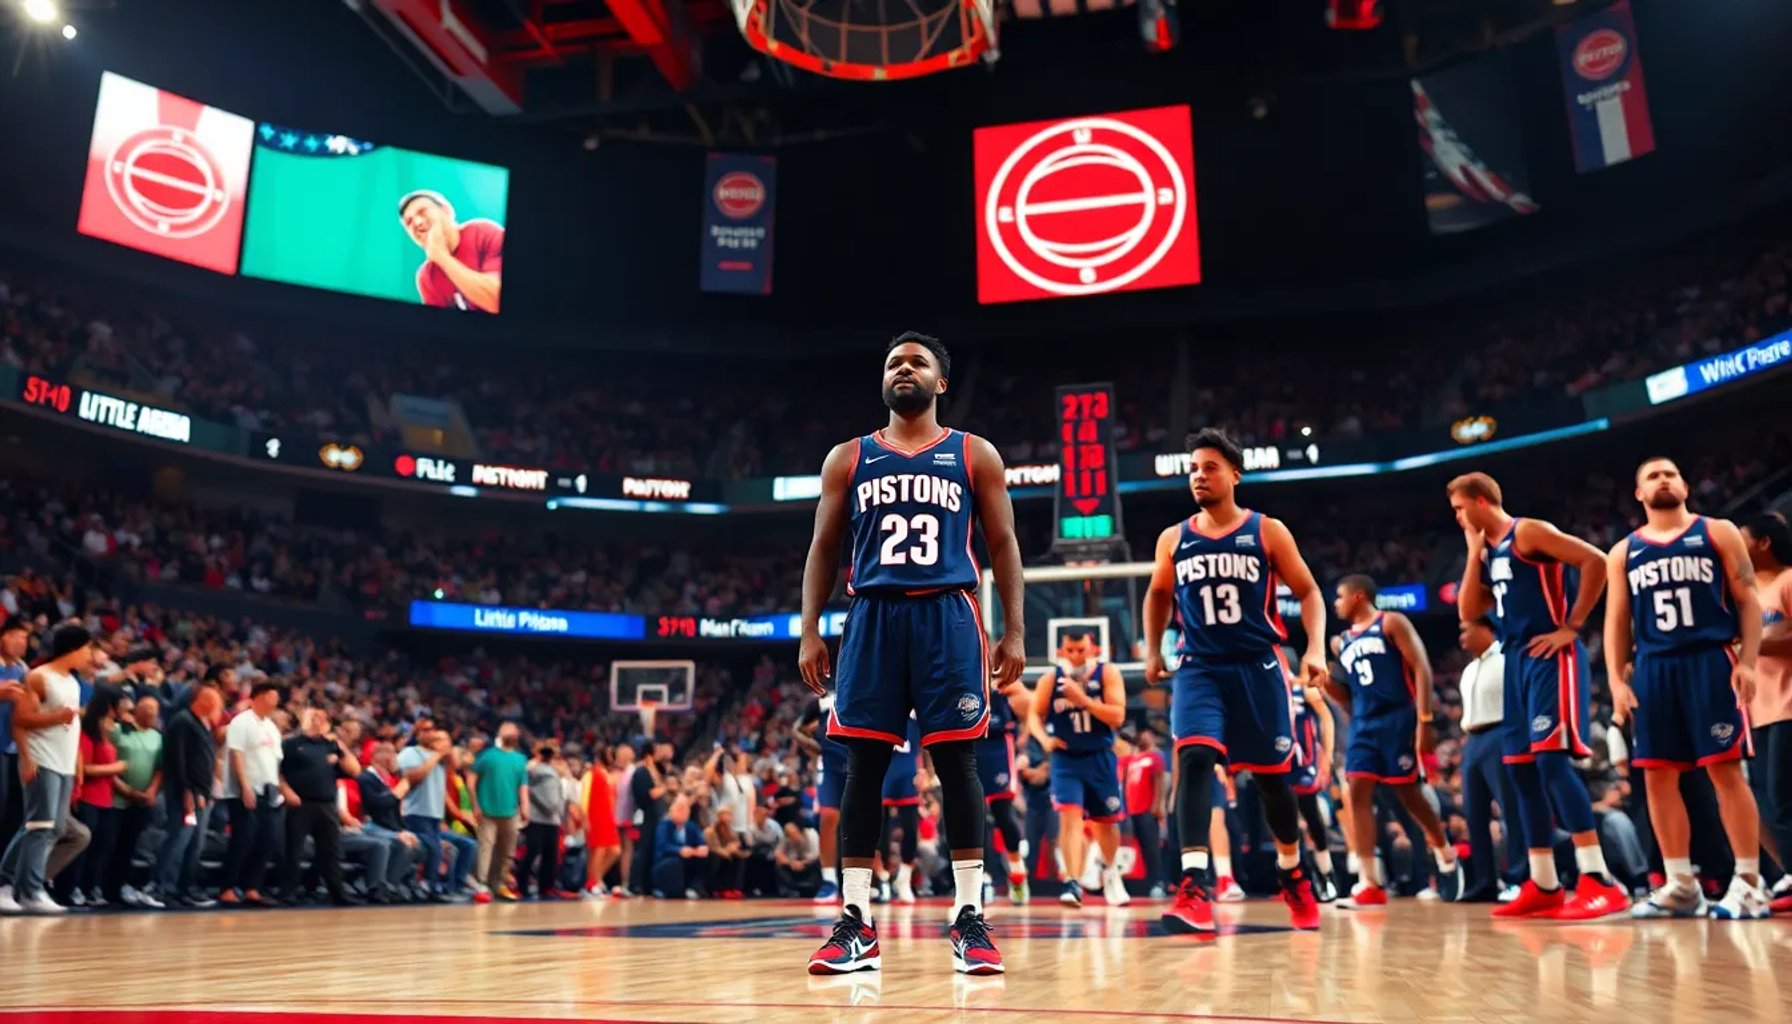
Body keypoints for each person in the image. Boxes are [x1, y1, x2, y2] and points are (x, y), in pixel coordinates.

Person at [797, 332, 1024, 977]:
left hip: (949, 613)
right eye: (894, 362)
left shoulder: (974, 454)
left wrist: (1014, 632)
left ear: (940, 383)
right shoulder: (848, 457)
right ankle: (855, 923)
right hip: (871, 614)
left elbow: (1004, 544)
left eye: (917, 362)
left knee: (958, 762)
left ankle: (970, 917)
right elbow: (822, 548)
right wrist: (811, 630)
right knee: (861, 767)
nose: (904, 369)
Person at [1143, 428, 1329, 934]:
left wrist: (1314, 647)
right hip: (1199, 666)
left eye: (1209, 467)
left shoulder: (1267, 530)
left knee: (1272, 781)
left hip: (1258, 666)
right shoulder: (1174, 538)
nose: (1199, 476)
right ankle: (1194, 885)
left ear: (1234, 475)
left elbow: (1309, 591)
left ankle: (1293, 873)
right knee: (1195, 758)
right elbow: (1158, 594)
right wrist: (1154, 648)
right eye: (1194, 469)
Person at [1450, 471, 1629, 920]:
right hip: (1517, 661)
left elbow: (1595, 560)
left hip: (1552, 657)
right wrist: (1474, 553)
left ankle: (1598, 879)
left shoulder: (1527, 531)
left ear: (1480, 501)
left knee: (1550, 763)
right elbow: (1470, 611)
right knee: (1521, 773)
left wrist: (1572, 625)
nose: (1456, 517)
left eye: (1458, 507)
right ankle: (1544, 882)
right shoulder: (1488, 551)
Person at [1604, 458, 1767, 919]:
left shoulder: (1717, 531)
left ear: (1685, 485)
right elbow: (1617, 619)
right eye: (1652, 476)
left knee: (1725, 769)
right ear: (1639, 494)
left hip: (1709, 659)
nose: (1662, 480)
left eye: (1670, 474)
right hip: (1654, 668)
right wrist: (1617, 679)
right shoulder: (1623, 551)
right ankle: (1679, 883)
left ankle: (1750, 882)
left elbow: (1748, 597)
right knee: (1657, 775)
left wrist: (1749, 662)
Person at [1329, 575, 1465, 908]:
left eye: (1340, 597)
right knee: (1356, 790)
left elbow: (1421, 667)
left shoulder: (1390, 621)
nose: (1336, 603)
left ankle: (1445, 852)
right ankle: (1369, 882)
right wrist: (1322, 682)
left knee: (1409, 794)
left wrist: (1425, 720)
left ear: (1358, 596)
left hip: (1398, 717)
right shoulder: (1341, 641)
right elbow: (1344, 695)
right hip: (1362, 722)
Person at [1026, 631, 1129, 908]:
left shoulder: (1108, 674)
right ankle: (1072, 881)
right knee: (1069, 818)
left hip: (1099, 756)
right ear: (1061, 651)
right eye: (1070, 650)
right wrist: (1044, 738)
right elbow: (1034, 714)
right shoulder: (1050, 680)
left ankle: (1110, 873)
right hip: (1065, 758)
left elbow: (1118, 716)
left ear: (1092, 648)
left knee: (1105, 824)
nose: (1075, 655)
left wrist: (1082, 699)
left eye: (1080, 650)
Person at [0, 623, 95, 914]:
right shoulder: (39, 676)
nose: (90, 655)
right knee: (40, 825)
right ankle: (26, 890)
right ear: (72, 649)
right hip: (42, 759)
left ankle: (16, 883)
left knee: (51, 828)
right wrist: (27, 758)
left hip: (64, 762)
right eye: (87, 648)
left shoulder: (73, 682)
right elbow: (21, 719)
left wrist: (77, 761)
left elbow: (71, 726)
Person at [1741, 510, 1792, 912]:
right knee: (1763, 803)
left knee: (1781, 797)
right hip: (1757, 711)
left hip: (1789, 703)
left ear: (1763, 543)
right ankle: (1784, 873)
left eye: (1742, 536)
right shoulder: (1744, 596)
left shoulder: (1788, 580)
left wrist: (1753, 645)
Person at [1455, 618, 1525, 902]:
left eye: (1466, 630)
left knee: (1510, 810)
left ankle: (1520, 878)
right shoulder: (1469, 668)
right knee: (1474, 814)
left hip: (1500, 732)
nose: (1461, 636)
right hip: (1473, 739)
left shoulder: (1506, 659)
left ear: (1487, 630)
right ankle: (1485, 880)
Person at [279, 708, 361, 905]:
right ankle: (287, 892)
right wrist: (286, 791)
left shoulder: (331, 745)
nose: (319, 720)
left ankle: (338, 893)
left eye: (323, 717)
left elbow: (355, 770)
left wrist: (341, 747)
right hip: (300, 802)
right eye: (314, 716)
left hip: (326, 804)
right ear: (304, 718)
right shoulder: (291, 743)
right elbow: (278, 771)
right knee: (294, 850)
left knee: (330, 850)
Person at [155, 683, 221, 907]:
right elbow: (178, 760)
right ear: (198, 699)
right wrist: (187, 790)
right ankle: (163, 888)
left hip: (202, 793)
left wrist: (207, 790)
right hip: (185, 792)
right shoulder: (183, 721)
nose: (215, 701)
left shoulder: (205, 724)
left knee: (195, 843)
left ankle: (185, 888)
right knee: (179, 839)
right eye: (210, 697)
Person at [396, 719, 473, 899]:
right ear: (418, 734)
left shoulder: (441, 758)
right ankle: (429, 886)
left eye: (433, 731)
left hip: (434, 816)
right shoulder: (410, 753)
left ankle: (453, 887)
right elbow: (414, 777)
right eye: (425, 731)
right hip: (415, 813)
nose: (430, 734)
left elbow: (455, 764)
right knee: (436, 848)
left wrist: (446, 749)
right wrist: (437, 755)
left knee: (465, 846)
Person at [67, 687, 129, 907]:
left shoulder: (106, 734)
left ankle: (90, 887)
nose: (120, 712)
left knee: (102, 847)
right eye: (118, 707)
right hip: (88, 798)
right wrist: (116, 767)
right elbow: (86, 769)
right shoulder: (86, 733)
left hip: (106, 799)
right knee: (84, 846)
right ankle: (72, 888)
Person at [399, 190, 503, 313]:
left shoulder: (484, 233)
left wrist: (442, 257)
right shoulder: (427, 277)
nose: (417, 223)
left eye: (423, 211)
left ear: (446, 210)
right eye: (409, 222)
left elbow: (497, 301)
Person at [1286, 659, 1338, 902]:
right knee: (1285, 823)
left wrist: (1326, 757)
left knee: (1312, 819)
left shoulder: (1303, 688)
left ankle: (1327, 874)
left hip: (1303, 762)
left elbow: (1327, 719)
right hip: (1278, 761)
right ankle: (1300, 877)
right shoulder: (1265, 688)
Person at [980, 676, 1031, 904]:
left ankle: (1017, 872)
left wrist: (1025, 740)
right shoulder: (959, 675)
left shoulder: (1003, 684)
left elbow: (1032, 706)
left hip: (998, 748)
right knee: (975, 817)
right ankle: (983, 878)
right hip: (971, 747)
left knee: (1002, 814)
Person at [796, 694, 851, 903]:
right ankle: (829, 881)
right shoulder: (822, 701)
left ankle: (864, 881)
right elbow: (797, 729)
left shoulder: (867, 685)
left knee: (860, 823)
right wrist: (812, 747)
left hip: (859, 759)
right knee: (828, 817)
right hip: (830, 765)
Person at [111, 694, 163, 908]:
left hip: (143, 800)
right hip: (115, 798)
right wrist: (126, 790)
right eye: (147, 709)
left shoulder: (158, 737)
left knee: (129, 846)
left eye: (155, 710)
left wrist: (151, 790)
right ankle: (97, 887)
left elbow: (160, 768)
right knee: (108, 844)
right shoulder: (118, 731)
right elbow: (106, 759)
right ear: (136, 711)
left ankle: (121, 886)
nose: (151, 714)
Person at [469, 721, 530, 902]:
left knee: (507, 851)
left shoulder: (520, 759)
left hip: (510, 810)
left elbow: (523, 785)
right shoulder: (487, 756)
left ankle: (499, 884)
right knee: (486, 847)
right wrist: (475, 805)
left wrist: (525, 805)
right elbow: (471, 781)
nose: (510, 732)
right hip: (487, 810)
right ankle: (482, 884)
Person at [1124, 727, 1170, 899]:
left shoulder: (1155, 757)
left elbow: (1160, 780)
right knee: (1141, 848)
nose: (1143, 736)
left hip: (1147, 809)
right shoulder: (1132, 758)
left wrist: (1158, 804)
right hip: (1133, 809)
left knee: (1152, 848)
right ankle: (1149, 882)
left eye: (1147, 734)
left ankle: (1159, 882)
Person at [518, 743, 566, 899]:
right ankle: (525, 884)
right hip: (538, 818)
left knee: (548, 854)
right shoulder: (532, 770)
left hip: (550, 820)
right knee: (534, 852)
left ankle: (545, 886)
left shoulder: (552, 773)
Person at [0, 618, 32, 845]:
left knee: (12, 809)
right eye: (17, 636)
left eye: (26, 638)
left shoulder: (23, 669)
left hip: (14, 745)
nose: (22, 643)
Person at [581, 747, 622, 898]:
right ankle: (592, 884)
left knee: (614, 850)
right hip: (595, 815)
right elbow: (584, 797)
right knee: (598, 850)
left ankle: (595, 880)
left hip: (607, 816)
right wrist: (584, 818)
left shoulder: (608, 775)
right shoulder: (591, 774)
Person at [652, 794, 708, 898]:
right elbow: (663, 846)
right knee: (674, 863)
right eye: (679, 808)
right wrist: (679, 850)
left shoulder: (691, 826)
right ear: (671, 809)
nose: (683, 812)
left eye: (686, 808)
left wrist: (702, 847)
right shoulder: (664, 825)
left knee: (704, 858)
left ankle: (696, 888)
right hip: (666, 861)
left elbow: (701, 841)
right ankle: (670, 890)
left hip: (687, 860)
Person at [706, 804, 750, 898]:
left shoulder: (731, 831)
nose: (727, 817)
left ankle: (735, 888)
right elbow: (713, 847)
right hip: (715, 854)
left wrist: (737, 851)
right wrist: (727, 851)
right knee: (717, 858)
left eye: (729, 814)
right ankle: (717, 889)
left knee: (740, 859)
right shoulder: (710, 831)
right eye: (724, 814)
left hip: (728, 854)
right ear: (718, 816)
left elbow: (736, 843)